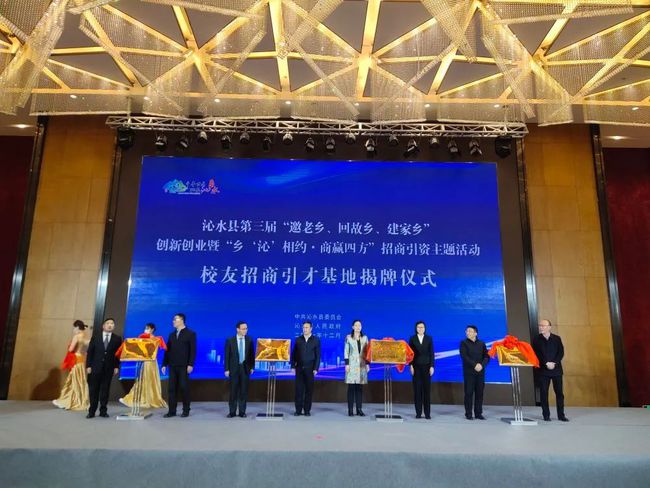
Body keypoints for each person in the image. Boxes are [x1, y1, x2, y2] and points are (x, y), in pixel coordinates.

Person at [117, 323, 167, 410]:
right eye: (145, 328)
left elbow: (160, 348)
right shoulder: (142, 337)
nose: (146, 329)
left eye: (148, 328)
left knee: (150, 380)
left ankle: (151, 399)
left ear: (152, 329)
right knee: (142, 380)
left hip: (151, 362)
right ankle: (137, 398)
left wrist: (151, 339)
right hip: (144, 361)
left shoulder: (157, 339)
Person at [532, 319, 568, 422]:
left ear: (549, 327)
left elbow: (561, 352)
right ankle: (546, 415)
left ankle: (561, 415)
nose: (541, 327)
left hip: (556, 370)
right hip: (543, 371)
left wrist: (554, 363)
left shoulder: (556, 338)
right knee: (544, 393)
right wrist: (546, 363)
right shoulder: (536, 339)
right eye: (540, 325)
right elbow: (536, 354)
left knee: (559, 393)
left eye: (543, 325)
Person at [86, 318, 123, 418]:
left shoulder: (117, 339)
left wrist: (116, 366)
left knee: (105, 390)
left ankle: (103, 411)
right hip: (95, 367)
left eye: (112, 323)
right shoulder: (96, 337)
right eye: (108, 323)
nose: (110, 325)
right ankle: (91, 411)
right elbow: (90, 352)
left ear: (114, 326)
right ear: (103, 326)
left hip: (108, 368)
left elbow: (118, 355)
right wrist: (88, 365)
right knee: (93, 390)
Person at [162, 313, 196, 418]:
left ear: (181, 320)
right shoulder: (171, 335)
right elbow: (167, 350)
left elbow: (193, 350)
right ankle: (172, 411)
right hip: (172, 366)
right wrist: (164, 364)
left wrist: (190, 364)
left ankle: (186, 410)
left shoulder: (190, 334)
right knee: (171, 389)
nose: (173, 321)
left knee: (184, 388)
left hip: (184, 366)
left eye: (175, 319)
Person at [53, 320, 90, 411]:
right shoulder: (86, 337)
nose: (74, 330)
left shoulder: (76, 336)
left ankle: (66, 401)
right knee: (80, 381)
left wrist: (69, 346)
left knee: (73, 380)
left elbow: (71, 349)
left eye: (74, 328)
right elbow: (86, 350)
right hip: (82, 360)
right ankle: (80, 400)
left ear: (77, 327)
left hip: (76, 359)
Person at [224, 321, 255, 418]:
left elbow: (251, 355)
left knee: (243, 391)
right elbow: (227, 356)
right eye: (243, 329)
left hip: (245, 368)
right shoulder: (230, 340)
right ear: (237, 329)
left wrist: (252, 367)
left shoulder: (249, 340)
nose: (245, 330)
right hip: (233, 368)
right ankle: (232, 412)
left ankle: (242, 412)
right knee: (233, 391)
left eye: (246, 328)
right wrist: (226, 369)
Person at [459, 325, 489, 420]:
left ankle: (478, 413)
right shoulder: (463, 343)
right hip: (469, 372)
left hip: (480, 372)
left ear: (475, 333)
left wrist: (481, 365)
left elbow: (486, 357)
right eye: (466, 331)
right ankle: (468, 414)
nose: (467, 333)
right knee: (468, 393)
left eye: (470, 331)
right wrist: (475, 365)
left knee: (479, 393)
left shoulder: (481, 343)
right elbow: (464, 356)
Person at [291, 321, 321, 416]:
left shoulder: (316, 340)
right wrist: (292, 366)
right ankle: (298, 410)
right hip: (299, 368)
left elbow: (318, 356)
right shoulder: (298, 340)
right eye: (304, 327)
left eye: (307, 327)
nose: (305, 329)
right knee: (298, 390)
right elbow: (294, 354)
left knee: (309, 390)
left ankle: (307, 410)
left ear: (311, 328)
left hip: (310, 369)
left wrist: (316, 368)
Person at [408, 321, 434, 419]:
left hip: (427, 367)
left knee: (427, 391)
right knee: (417, 391)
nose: (420, 329)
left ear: (425, 328)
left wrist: (432, 366)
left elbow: (431, 353)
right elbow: (410, 354)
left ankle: (427, 413)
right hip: (416, 367)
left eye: (422, 327)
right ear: (416, 328)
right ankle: (418, 413)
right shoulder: (412, 339)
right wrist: (411, 365)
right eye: (418, 327)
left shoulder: (429, 338)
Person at [344, 319, 369, 416]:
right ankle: (350, 410)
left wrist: (367, 364)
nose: (358, 327)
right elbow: (346, 351)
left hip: (362, 365)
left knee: (359, 388)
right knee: (351, 388)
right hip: (351, 365)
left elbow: (367, 352)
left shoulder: (365, 338)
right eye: (356, 325)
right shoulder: (348, 338)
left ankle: (359, 409)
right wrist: (347, 364)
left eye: (359, 325)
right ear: (353, 327)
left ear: (361, 327)